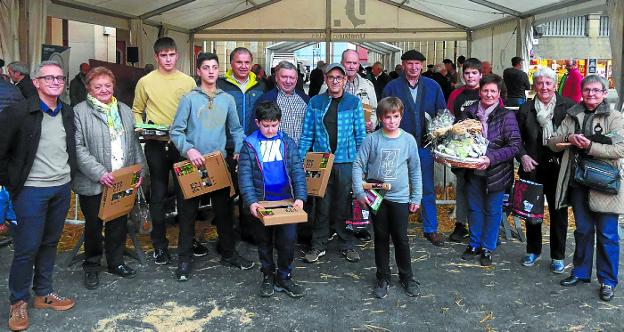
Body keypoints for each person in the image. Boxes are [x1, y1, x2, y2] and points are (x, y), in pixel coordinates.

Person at [0, 60, 77, 331]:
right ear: (36, 82)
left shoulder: (67, 112)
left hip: (61, 187)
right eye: (49, 78)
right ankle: (18, 301)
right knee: (26, 248)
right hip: (31, 191)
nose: (55, 82)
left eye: (59, 78)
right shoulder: (18, 113)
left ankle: (43, 293)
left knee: (50, 242)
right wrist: (11, 184)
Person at [170, 52, 253, 281]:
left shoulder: (226, 99)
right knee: (187, 214)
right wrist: (189, 149)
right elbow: (176, 131)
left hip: (218, 162)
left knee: (224, 212)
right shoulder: (189, 99)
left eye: (214, 67)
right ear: (198, 71)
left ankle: (228, 253)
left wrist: (238, 148)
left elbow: (236, 129)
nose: (210, 71)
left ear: (219, 70)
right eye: (205, 67)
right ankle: (184, 259)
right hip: (192, 162)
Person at [548, 75, 624, 302]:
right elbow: (552, 142)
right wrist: (568, 137)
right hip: (578, 182)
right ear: (581, 92)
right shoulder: (572, 114)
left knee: (608, 234)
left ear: (603, 93)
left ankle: (608, 281)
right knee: (582, 230)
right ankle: (580, 273)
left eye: (595, 91)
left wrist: (590, 146)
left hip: (605, 184)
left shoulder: (615, 117)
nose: (591, 94)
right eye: (587, 90)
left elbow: (620, 149)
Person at [132, 37, 205, 264]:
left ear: (177, 56)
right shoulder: (145, 82)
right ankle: (159, 245)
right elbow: (137, 110)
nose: (167, 59)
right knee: (158, 194)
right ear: (156, 57)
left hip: (182, 145)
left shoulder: (188, 82)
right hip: (156, 143)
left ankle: (188, 239)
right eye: (163, 56)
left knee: (186, 194)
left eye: (171, 55)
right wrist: (141, 127)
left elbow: (197, 112)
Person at [73, 66, 146, 289]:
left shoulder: (124, 110)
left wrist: (138, 172)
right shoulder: (79, 112)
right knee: (94, 226)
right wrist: (100, 174)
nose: (104, 90)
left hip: (121, 179)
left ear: (113, 86)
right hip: (94, 181)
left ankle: (116, 262)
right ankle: (92, 266)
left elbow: (133, 145)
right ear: (89, 88)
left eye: (107, 85)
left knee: (118, 223)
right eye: (98, 86)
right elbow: (78, 148)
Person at [352, 97, 422, 299]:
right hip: (377, 197)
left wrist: (416, 196)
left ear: (401, 116)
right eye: (387, 117)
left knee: (401, 237)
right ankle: (383, 276)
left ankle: (406, 276)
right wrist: (359, 192)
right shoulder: (372, 139)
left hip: (400, 197)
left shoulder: (408, 140)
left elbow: (415, 170)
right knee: (381, 237)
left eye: (396, 116)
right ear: (380, 118)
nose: (392, 121)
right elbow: (358, 165)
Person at [238, 101, 308, 298]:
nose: (270, 129)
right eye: (265, 125)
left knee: (287, 241)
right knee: (264, 242)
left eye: (274, 125)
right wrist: (251, 201)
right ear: (257, 123)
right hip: (262, 203)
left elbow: (297, 171)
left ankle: (284, 276)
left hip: (286, 201)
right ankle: (268, 275)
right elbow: (244, 177)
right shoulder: (249, 145)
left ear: (280, 123)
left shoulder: (288, 143)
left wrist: (300, 197)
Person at [299, 63, 367, 263]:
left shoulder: (354, 103)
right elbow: (307, 134)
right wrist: (303, 159)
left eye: (339, 77)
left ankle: (346, 244)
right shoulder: (315, 102)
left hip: (346, 161)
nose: (335, 80)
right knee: (321, 204)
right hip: (321, 161)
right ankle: (318, 244)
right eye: (331, 77)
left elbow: (360, 135)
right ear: (326, 80)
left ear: (345, 80)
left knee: (344, 204)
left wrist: (361, 164)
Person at [382, 50, 447, 247]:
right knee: (393, 187)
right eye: (410, 63)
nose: (414, 67)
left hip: (424, 146)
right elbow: (383, 113)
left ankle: (431, 228)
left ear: (422, 66)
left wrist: (441, 142)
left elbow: (442, 115)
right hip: (397, 146)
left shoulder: (432, 86)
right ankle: (393, 228)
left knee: (426, 187)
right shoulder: (392, 86)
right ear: (403, 65)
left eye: (417, 64)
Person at [457, 75, 521, 266]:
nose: (489, 94)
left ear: (499, 94)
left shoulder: (506, 116)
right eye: (486, 90)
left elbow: (515, 145)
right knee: (474, 207)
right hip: (472, 170)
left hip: (496, 171)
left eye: (493, 91)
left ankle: (488, 247)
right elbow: (459, 140)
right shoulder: (468, 113)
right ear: (479, 91)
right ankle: (474, 243)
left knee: (493, 210)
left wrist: (491, 158)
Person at [516, 67, 574, 272]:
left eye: (548, 83)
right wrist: (522, 156)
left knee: (559, 213)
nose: (544, 87)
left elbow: (573, 135)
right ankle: (533, 250)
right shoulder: (526, 109)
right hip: (532, 168)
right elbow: (516, 139)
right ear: (534, 85)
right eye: (540, 83)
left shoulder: (568, 106)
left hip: (559, 169)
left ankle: (558, 256)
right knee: (532, 213)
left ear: (555, 84)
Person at [217, 47, 267, 244]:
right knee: (227, 192)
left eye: (247, 62)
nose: (243, 66)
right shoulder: (222, 85)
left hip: (254, 146)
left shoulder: (261, 85)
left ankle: (249, 231)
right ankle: (227, 235)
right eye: (239, 62)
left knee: (251, 190)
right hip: (228, 146)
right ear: (231, 64)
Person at [446, 58, 483, 243]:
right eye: (467, 73)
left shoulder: (487, 91)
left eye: (474, 73)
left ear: (480, 75)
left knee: (481, 188)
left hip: (482, 150)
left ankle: (480, 225)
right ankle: (461, 224)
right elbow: (448, 118)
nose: (470, 76)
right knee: (461, 187)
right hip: (460, 149)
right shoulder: (456, 94)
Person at [320, 49, 377, 133]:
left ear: (358, 65)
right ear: (341, 63)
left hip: (362, 137)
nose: (351, 66)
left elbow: (374, 110)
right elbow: (319, 112)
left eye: (355, 63)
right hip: (336, 137)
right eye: (348, 62)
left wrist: (372, 124)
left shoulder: (367, 86)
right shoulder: (327, 86)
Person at [254, 61, 309, 145]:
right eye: (284, 77)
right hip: (275, 155)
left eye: (292, 78)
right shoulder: (265, 100)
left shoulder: (305, 100)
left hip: (301, 154)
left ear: (297, 79)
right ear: (276, 78)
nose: (288, 81)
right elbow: (255, 129)